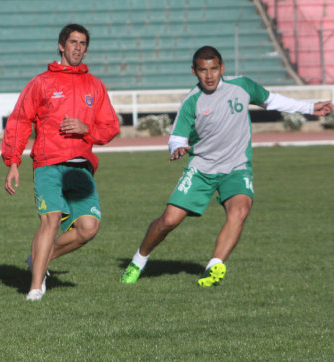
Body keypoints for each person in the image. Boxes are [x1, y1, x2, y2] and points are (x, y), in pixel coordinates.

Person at [120, 45, 333, 287]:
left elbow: (271, 100)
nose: (209, 75)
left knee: (240, 211)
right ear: (194, 71)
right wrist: (177, 147)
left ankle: (214, 267)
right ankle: (139, 260)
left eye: (213, 68)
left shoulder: (242, 86)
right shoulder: (192, 101)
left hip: (236, 167)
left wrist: (309, 107)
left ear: (222, 68)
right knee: (169, 221)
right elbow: (177, 136)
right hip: (202, 168)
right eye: (203, 70)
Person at [2, 23, 120, 301]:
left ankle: (38, 259)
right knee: (51, 220)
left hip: (81, 167)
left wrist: (85, 129)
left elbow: (111, 126)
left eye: (82, 44)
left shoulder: (95, 85)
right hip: (49, 163)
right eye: (73, 42)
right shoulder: (41, 82)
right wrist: (13, 162)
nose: (78, 48)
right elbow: (19, 121)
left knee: (88, 228)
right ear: (61, 46)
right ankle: (34, 288)